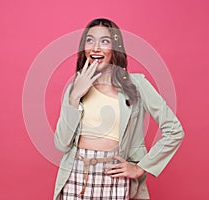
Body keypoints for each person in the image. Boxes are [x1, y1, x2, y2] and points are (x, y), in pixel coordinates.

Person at [53, 18, 184, 200]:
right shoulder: (75, 88)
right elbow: (61, 143)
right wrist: (74, 97)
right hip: (76, 176)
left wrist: (140, 168)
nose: (96, 47)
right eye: (90, 40)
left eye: (104, 41)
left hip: (114, 177)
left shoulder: (137, 84)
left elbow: (174, 130)